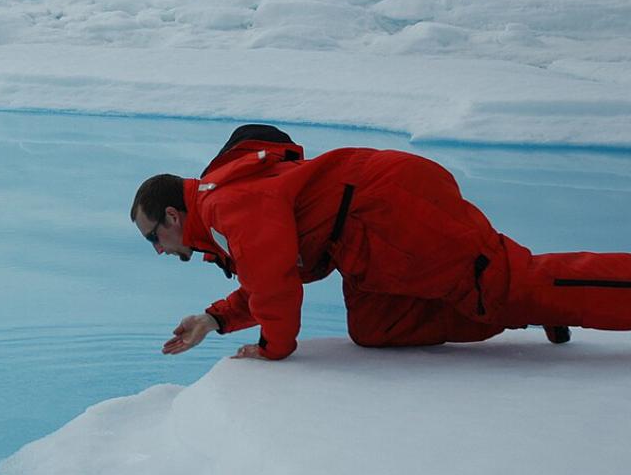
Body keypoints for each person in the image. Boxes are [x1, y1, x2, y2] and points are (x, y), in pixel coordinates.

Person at [131, 124, 631, 360]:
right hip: (366, 241)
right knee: (378, 327)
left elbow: (276, 285)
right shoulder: (222, 211)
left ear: (173, 216)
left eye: (154, 236)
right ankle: (526, 303)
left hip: (390, 207)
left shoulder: (221, 207)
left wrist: (273, 349)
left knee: (505, 284)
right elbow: (264, 274)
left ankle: (527, 296)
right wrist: (216, 319)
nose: (158, 249)